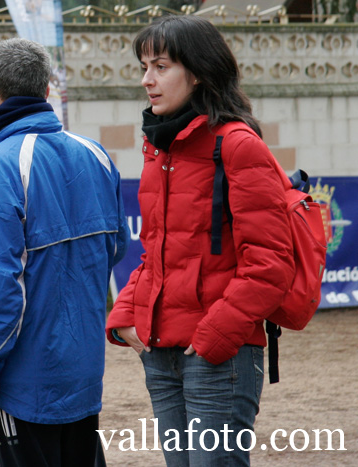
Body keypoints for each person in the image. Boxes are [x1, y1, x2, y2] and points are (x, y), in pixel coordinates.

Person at [105, 16, 295, 467]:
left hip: (218, 355)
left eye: (161, 66)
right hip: (161, 352)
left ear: (200, 70)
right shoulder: (161, 146)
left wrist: (214, 335)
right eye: (144, 66)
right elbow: (156, 252)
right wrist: (127, 315)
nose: (146, 79)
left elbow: (271, 264)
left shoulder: (238, 145)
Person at [0, 38, 129, 466]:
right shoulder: (97, 154)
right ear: (46, 90)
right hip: (84, 370)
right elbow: (116, 249)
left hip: (24, 380)